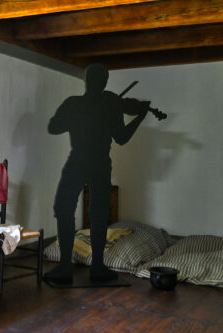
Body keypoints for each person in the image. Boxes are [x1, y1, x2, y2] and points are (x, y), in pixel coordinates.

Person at [45, 63, 150, 283]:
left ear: (87, 81)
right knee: (93, 213)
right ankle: (96, 267)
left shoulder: (78, 103)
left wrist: (74, 118)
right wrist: (140, 116)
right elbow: (122, 137)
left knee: (67, 209)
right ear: (104, 82)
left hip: (80, 161)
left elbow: (53, 126)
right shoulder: (109, 104)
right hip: (98, 163)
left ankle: (68, 267)